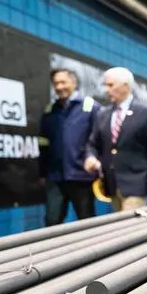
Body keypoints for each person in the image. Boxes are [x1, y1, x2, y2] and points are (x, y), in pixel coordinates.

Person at [84, 67, 147, 211]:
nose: (106, 90)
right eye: (105, 85)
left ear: (126, 86)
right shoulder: (102, 114)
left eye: (111, 85)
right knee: (119, 222)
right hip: (111, 184)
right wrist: (90, 157)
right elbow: (93, 144)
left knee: (131, 222)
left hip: (136, 184)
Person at [39, 68, 100, 226]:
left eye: (63, 82)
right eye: (55, 83)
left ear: (73, 82)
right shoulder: (50, 110)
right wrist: (43, 172)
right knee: (52, 222)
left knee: (87, 222)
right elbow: (43, 143)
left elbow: (98, 141)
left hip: (82, 176)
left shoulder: (90, 107)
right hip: (55, 176)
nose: (59, 87)